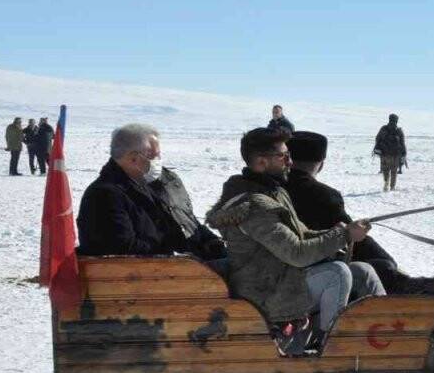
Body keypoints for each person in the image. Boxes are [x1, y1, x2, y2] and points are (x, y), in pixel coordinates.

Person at [206, 127, 384, 356]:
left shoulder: (273, 192)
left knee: (362, 270)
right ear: (261, 162)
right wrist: (344, 236)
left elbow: (302, 235)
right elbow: (297, 254)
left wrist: (344, 230)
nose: (290, 162)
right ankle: (332, 348)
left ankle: (388, 332)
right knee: (337, 273)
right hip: (266, 293)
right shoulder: (254, 207)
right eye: (283, 156)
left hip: (281, 278)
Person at [284, 130, 407, 292]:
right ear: (321, 164)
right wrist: (386, 261)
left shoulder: (271, 189)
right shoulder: (324, 195)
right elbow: (352, 237)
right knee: (384, 267)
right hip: (311, 274)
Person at [77, 124, 187, 256]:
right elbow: (121, 246)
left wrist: (208, 246)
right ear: (133, 158)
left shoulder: (146, 186)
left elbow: (171, 228)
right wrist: (165, 250)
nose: (158, 161)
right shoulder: (104, 195)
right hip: (130, 273)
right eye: (155, 157)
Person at [149, 164, 228, 263]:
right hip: (172, 263)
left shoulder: (170, 177)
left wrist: (210, 239)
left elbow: (189, 218)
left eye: (157, 148)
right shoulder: (132, 186)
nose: (155, 151)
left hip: (198, 253)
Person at [373, 114, 406, 191]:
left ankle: (386, 182)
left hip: (385, 154)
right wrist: (404, 154)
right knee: (394, 171)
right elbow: (402, 143)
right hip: (396, 155)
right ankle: (392, 187)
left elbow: (377, 138)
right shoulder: (399, 130)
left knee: (385, 170)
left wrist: (377, 148)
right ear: (396, 121)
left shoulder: (383, 128)